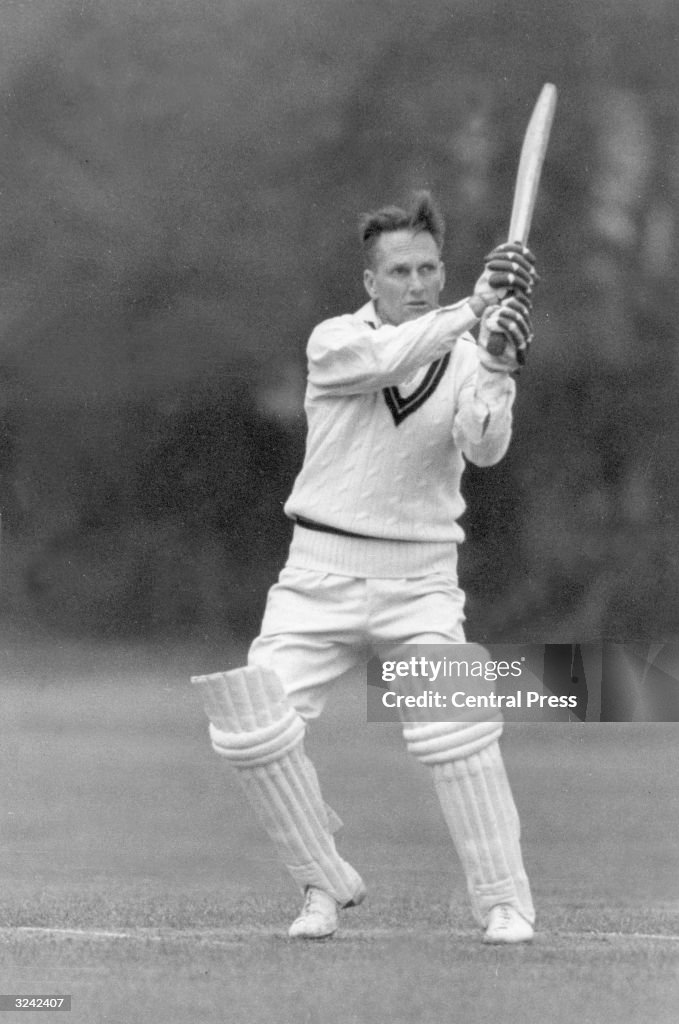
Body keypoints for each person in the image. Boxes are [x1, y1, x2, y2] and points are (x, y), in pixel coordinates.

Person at [192, 191, 538, 944]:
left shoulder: (469, 349)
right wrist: (474, 310)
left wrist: (501, 366)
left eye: (428, 269)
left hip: (420, 582)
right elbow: (388, 358)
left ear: (441, 270)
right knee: (250, 724)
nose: (417, 283)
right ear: (370, 280)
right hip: (317, 574)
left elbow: (483, 447)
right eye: (400, 270)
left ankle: (504, 902)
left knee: (459, 731)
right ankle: (323, 882)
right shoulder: (334, 343)